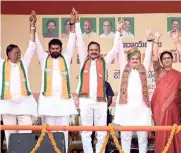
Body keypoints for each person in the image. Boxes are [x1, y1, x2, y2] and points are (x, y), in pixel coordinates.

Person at [75, 10, 123, 153]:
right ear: (88, 51)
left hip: (101, 101)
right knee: (86, 131)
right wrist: (77, 23)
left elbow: (114, 50)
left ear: (100, 51)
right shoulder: (84, 59)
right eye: (91, 50)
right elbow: (79, 42)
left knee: (102, 131)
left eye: (96, 50)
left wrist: (118, 32)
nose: (94, 52)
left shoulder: (105, 61)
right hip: (86, 101)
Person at [35, 8, 78, 152]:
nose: (55, 50)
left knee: (63, 132)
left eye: (57, 48)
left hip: (63, 102)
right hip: (48, 102)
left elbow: (72, 41)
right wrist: (33, 25)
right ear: (49, 49)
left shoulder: (66, 58)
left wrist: (72, 23)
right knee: (49, 132)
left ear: (60, 49)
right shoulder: (43, 58)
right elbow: (36, 43)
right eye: (52, 48)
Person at [0, 11, 38, 148]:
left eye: (20, 52)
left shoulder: (24, 62)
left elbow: (32, 46)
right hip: (7, 104)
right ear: (9, 54)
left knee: (26, 134)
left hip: (24, 104)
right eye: (16, 53)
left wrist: (32, 26)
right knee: (10, 136)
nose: (19, 54)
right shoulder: (2, 64)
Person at [113, 29, 153, 153]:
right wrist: (118, 34)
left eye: (137, 58)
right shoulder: (123, 67)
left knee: (142, 138)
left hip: (141, 109)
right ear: (128, 60)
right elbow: (119, 52)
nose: (135, 61)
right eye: (132, 58)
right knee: (125, 138)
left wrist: (150, 41)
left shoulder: (144, 68)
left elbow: (148, 55)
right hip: (126, 109)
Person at [151, 31, 181, 153]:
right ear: (161, 61)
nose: (166, 60)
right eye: (164, 58)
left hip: (174, 109)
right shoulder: (159, 71)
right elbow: (154, 56)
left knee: (174, 131)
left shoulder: (178, 75)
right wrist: (156, 40)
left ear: (172, 59)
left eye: (168, 58)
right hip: (159, 107)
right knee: (162, 132)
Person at [91, 81, 114, 152]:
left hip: (103, 114)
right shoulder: (89, 83)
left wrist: (103, 109)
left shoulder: (106, 84)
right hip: (91, 114)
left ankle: (104, 151)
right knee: (90, 135)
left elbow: (110, 98)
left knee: (103, 135)